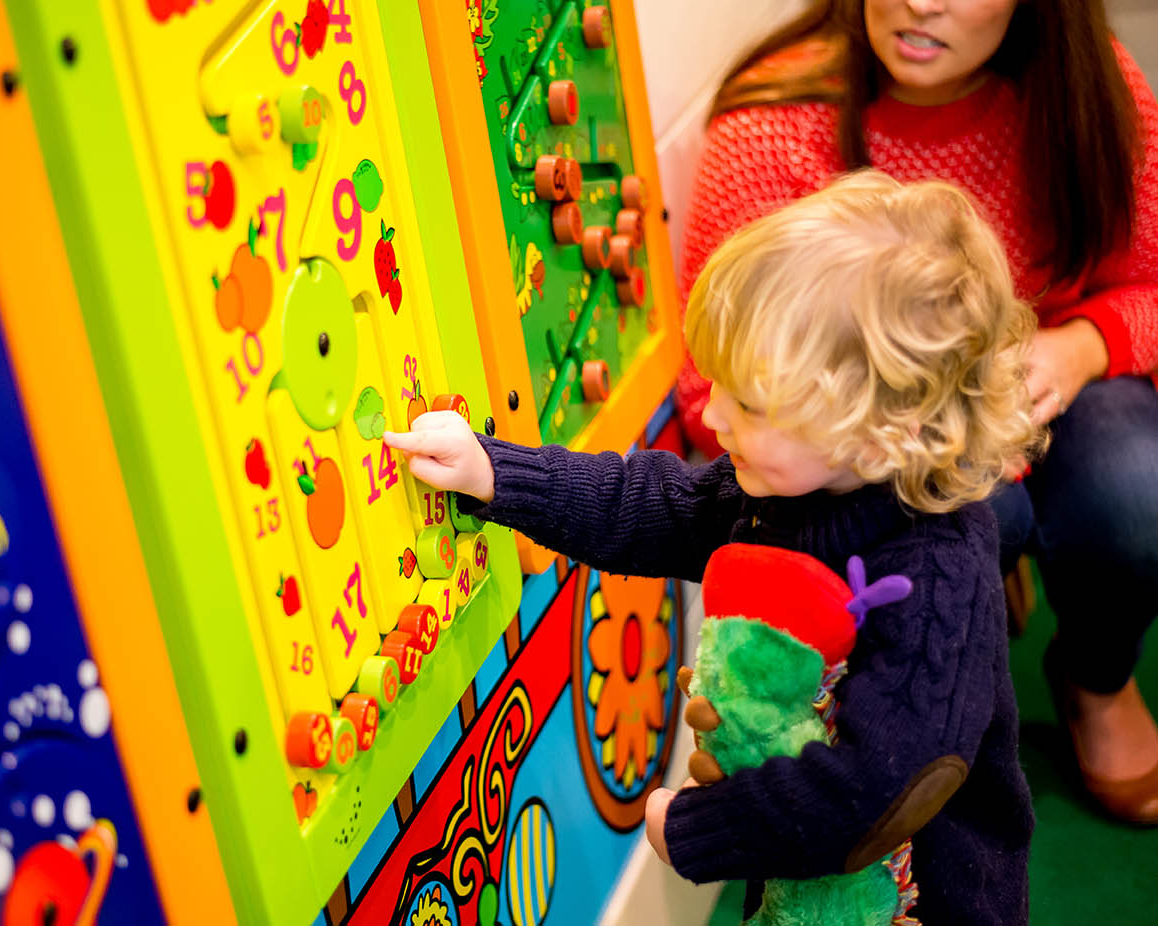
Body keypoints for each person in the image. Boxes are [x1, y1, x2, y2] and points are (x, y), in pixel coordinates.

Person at [386, 171, 1044, 923]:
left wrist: (703, 830)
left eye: (750, 403)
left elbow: (878, 785)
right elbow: (645, 503)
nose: (715, 416)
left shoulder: (937, 572)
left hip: (928, 904)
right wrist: (492, 471)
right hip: (806, 887)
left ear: (877, 430)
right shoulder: (781, 488)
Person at [673, 0, 1158, 826]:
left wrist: (1083, 344)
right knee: (961, 520)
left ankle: (1095, 677)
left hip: (1060, 390)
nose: (918, 2)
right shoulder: (775, 125)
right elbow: (710, 387)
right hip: (880, 445)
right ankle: (942, 686)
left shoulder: (1091, 88)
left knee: (1134, 487)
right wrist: (919, 441)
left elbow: (1146, 281)